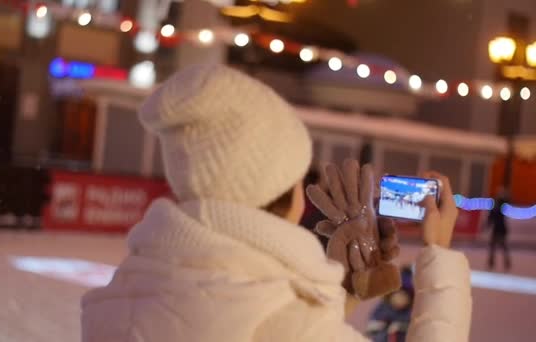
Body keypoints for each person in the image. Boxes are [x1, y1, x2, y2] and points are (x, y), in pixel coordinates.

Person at [81, 64, 472, 342]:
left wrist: (339, 293)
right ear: (288, 194)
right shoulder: (287, 324)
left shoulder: (124, 293)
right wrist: (440, 253)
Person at [366, 266, 414, 342]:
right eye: (398, 295)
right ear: (391, 295)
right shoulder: (382, 308)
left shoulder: (410, 312)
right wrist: (385, 326)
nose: (400, 299)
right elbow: (371, 327)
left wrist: (400, 326)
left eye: (404, 296)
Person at [487, 190, 511, 271]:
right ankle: (493, 262)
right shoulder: (498, 207)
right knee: (496, 247)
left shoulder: (500, 206)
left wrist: (487, 225)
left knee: (499, 247)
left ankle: (503, 262)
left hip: (499, 229)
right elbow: (490, 219)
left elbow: (490, 219)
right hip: (499, 229)